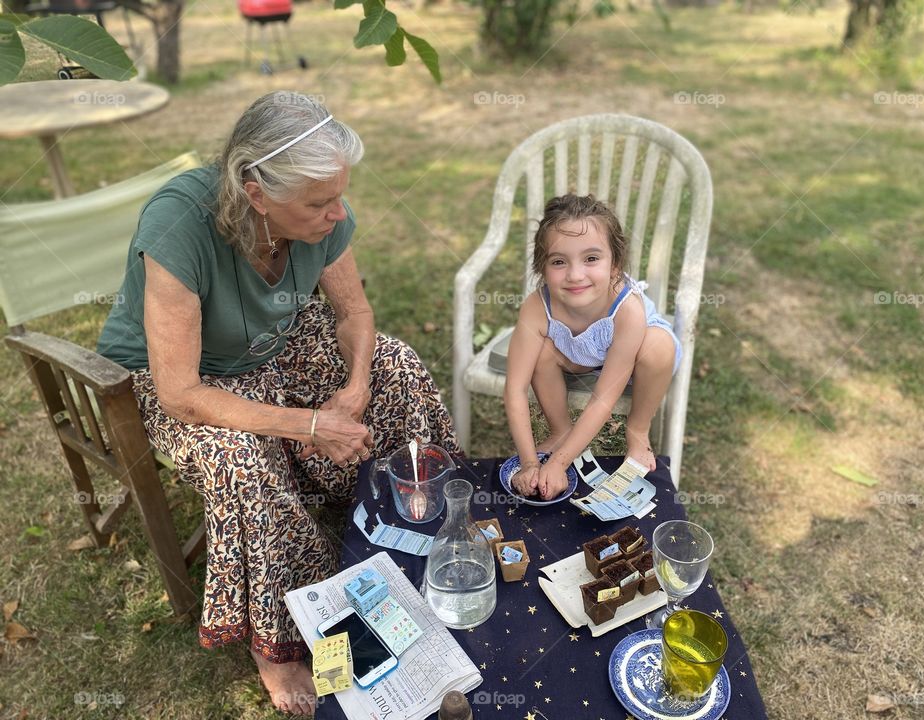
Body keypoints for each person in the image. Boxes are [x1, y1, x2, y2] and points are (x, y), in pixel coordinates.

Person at [96, 91, 460, 716]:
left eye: (338, 195)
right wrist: (308, 424)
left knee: (397, 365)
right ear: (256, 192)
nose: (337, 213)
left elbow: (353, 312)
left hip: (275, 349)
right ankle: (280, 639)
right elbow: (181, 393)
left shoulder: (326, 213)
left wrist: (358, 384)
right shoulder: (179, 225)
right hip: (187, 380)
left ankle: (421, 520)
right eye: (319, 203)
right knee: (243, 455)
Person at [503, 194, 681, 501]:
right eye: (559, 262)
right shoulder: (536, 307)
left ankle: (638, 432)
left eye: (591, 258)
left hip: (636, 358)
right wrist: (529, 463)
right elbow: (515, 388)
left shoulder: (629, 310)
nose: (575, 274)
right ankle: (561, 431)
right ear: (543, 268)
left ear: (616, 265)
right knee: (540, 353)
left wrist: (560, 464)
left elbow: (603, 399)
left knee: (658, 347)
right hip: (579, 354)